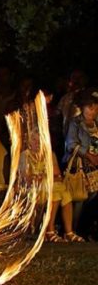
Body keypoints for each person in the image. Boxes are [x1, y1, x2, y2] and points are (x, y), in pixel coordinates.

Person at [62, 89, 98, 238]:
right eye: (90, 107)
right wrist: (88, 155)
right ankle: (73, 229)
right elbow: (71, 144)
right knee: (79, 197)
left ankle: (84, 227)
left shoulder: (96, 123)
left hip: (94, 166)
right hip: (80, 166)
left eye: (96, 108)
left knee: (93, 196)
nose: (93, 111)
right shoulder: (75, 123)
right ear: (82, 107)